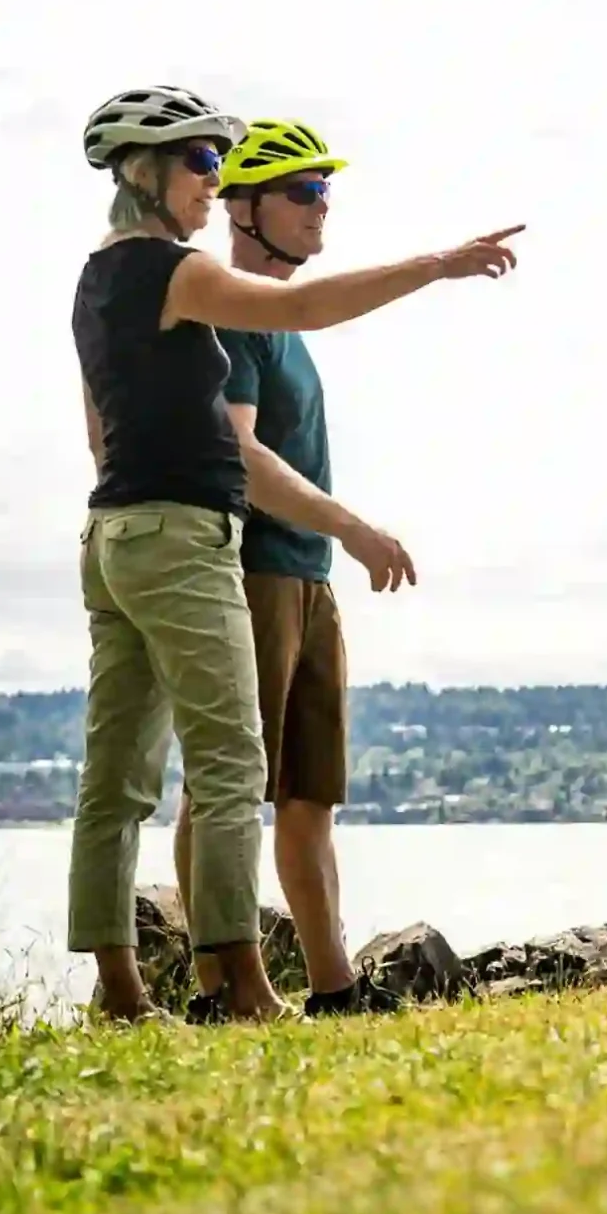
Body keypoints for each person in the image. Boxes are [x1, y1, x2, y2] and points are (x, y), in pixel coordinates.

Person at [69, 84, 523, 1024]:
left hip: (114, 529)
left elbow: (99, 435)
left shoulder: (94, 279)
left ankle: (121, 992)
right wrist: (438, 263)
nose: (212, 179)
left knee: (115, 781)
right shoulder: (173, 270)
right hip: (185, 534)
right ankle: (238, 987)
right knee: (232, 769)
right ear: (146, 173)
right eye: (202, 163)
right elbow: (307, 308)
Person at [173, 118, 413, 1019]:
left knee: (309, 793)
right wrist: (353, 527)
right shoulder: (235, 317)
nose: (322, 209)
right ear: (245, 206)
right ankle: (219, 990)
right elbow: (241, 454)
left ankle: (334, 984)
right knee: (223, 785)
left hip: (307, 578)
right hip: (256, 571)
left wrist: (334, 545)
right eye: (303, 191)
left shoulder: (287, 329)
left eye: (324, 191)